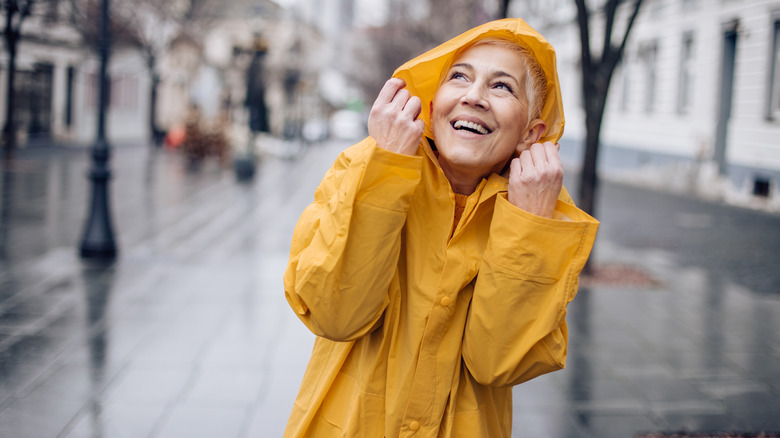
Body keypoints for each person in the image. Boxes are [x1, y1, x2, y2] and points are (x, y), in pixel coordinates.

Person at [283, 18, 599, 437]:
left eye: (501, 86)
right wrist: (386, 170)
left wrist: (530, 225)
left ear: (531, 134)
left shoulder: (541, 217)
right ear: (432, 102)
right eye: (459, 77)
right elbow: (335, 315)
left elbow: (497, 362)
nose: (474, 97)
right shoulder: (365, 167)